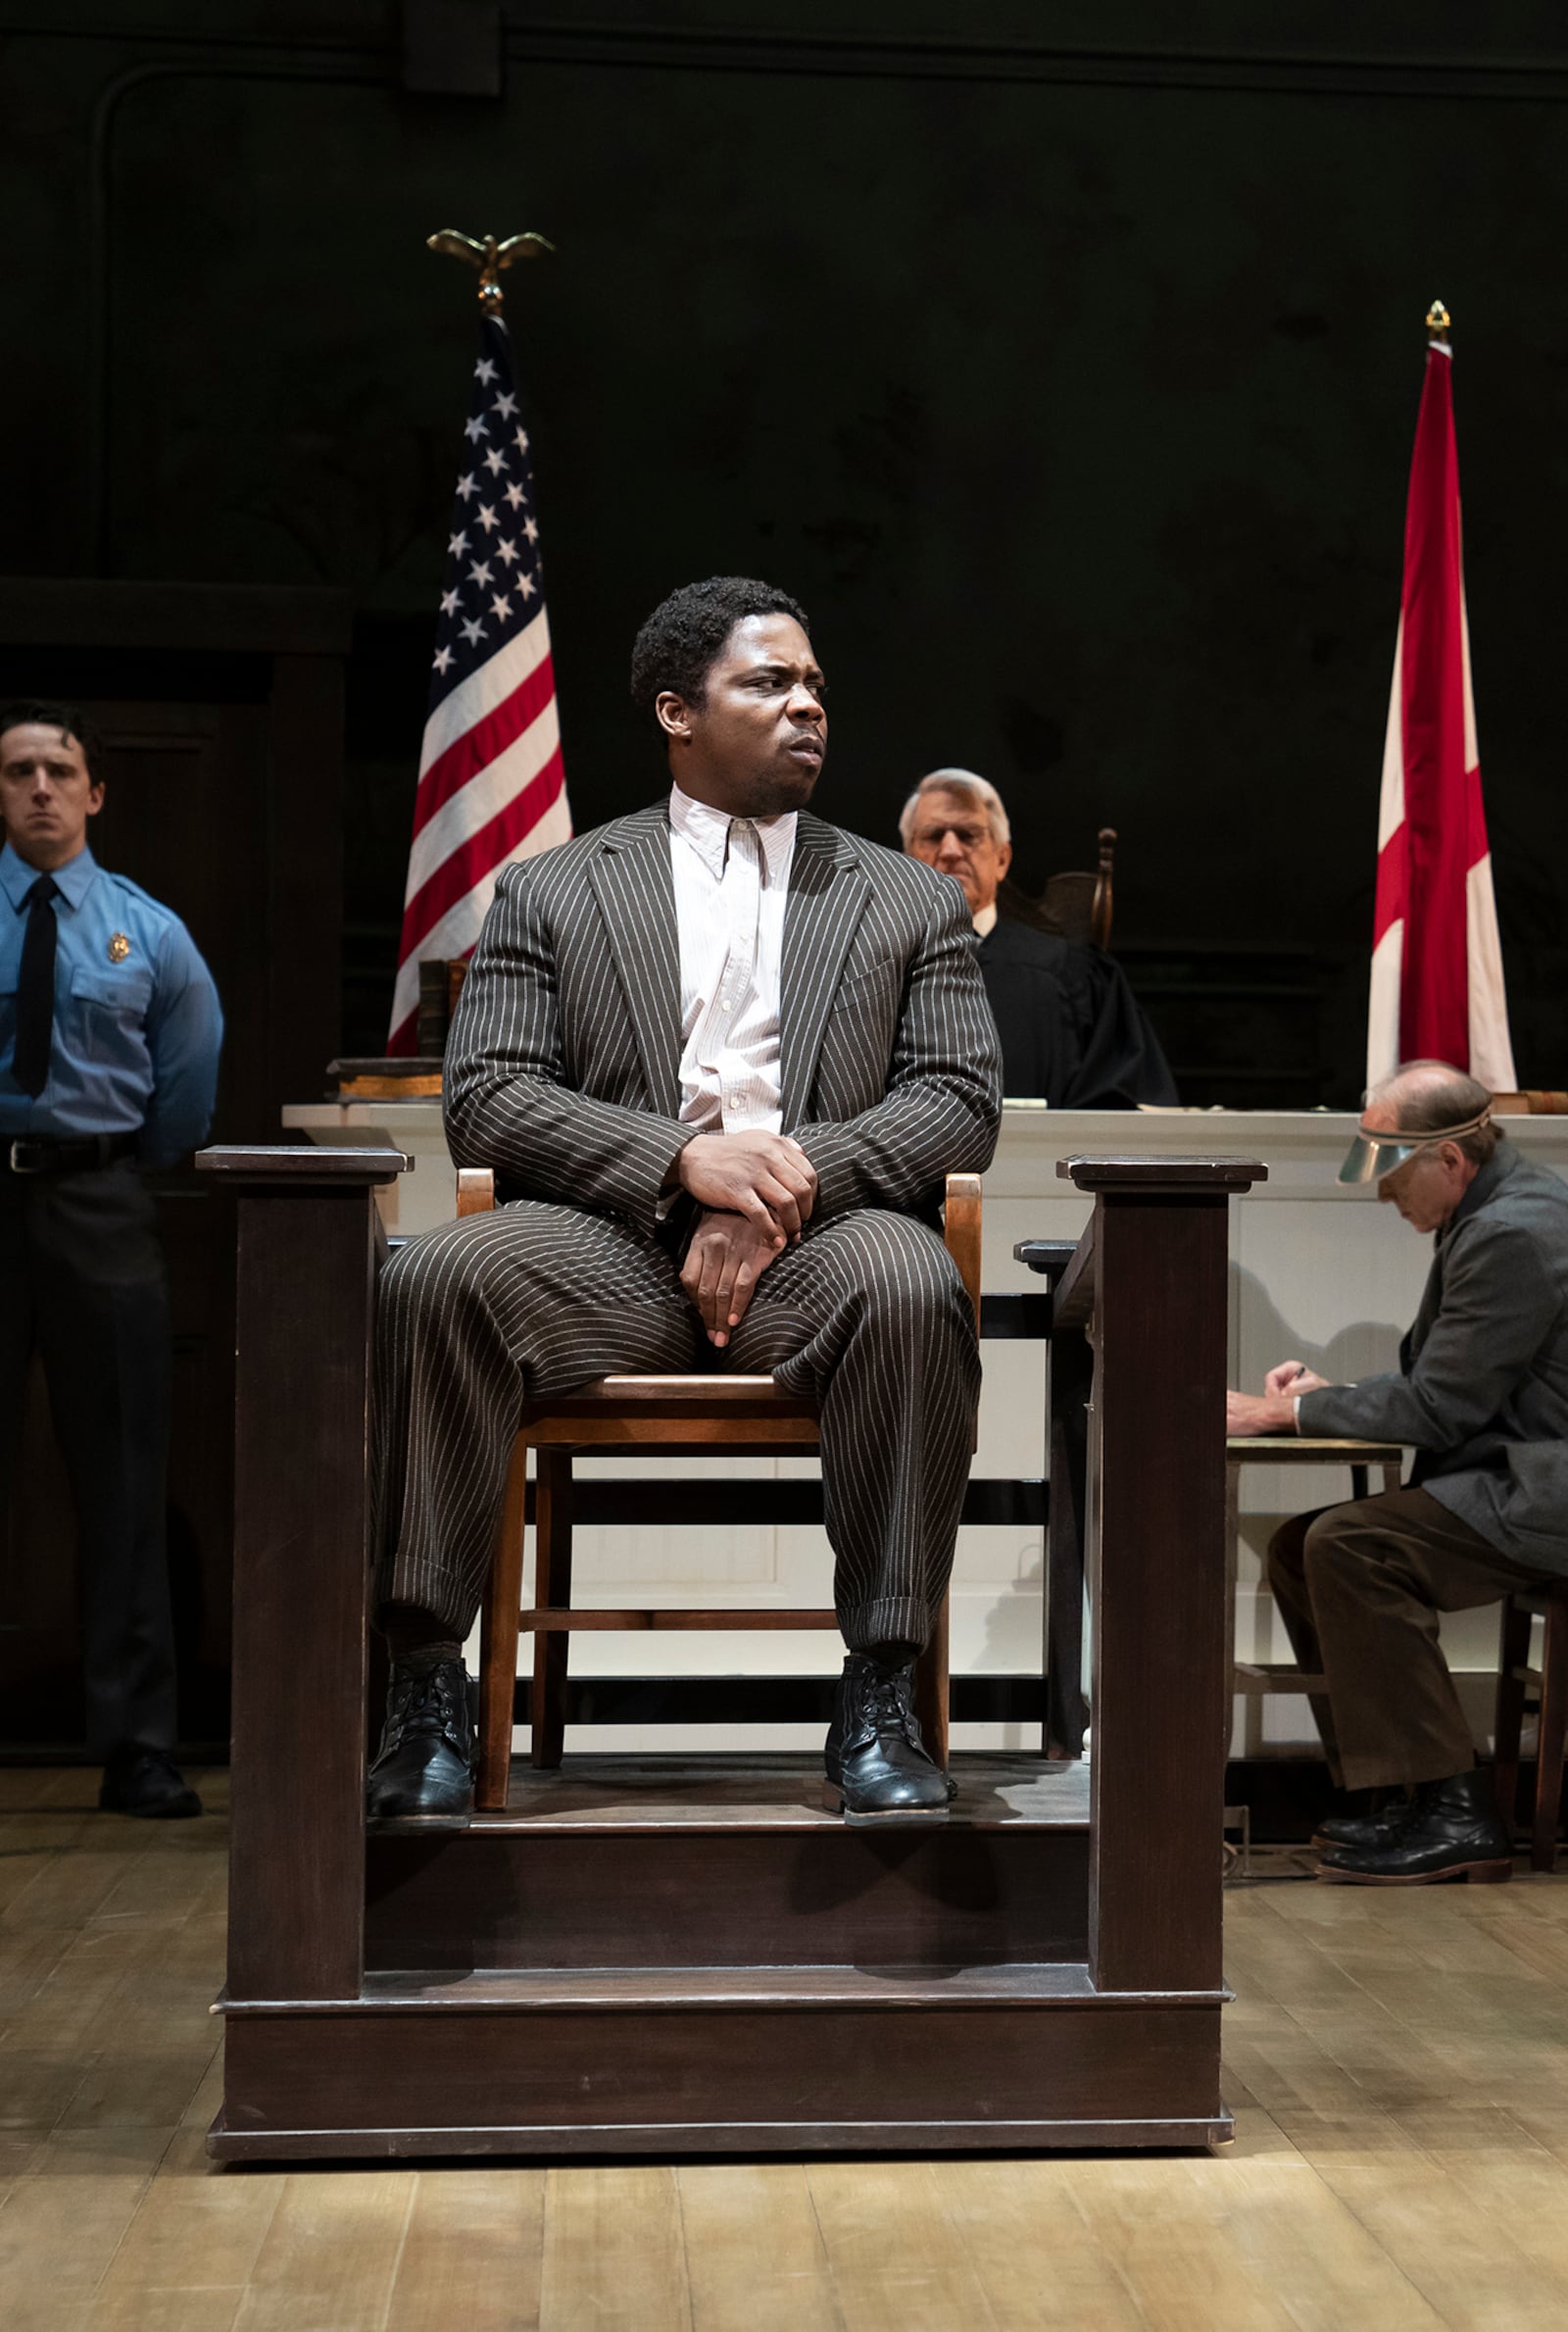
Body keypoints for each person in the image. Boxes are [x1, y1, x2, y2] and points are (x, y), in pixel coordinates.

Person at [368, 577, 1002, 1829]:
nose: (807, 705)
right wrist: (679, 1161)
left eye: (815, 684)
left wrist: (785, 1175)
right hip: (604, 1248)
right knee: (437, 1276)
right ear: (675, 711)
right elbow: (488, 1096)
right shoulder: (555, 889)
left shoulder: (904, 896)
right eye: (769, 684)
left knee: (913, 1281)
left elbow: (954, 1100)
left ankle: (881, 1683)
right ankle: (424, 1681)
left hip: (819, 1247)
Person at [1228, 1061, 1568, 1884]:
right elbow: (1451, 1385)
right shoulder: (1494, 1207)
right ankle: (1398, 1795)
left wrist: (1287, 1412)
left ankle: (1455, 1808)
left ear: (1450, 1160)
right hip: (1511, 1467)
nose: (1382, 1193)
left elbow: (1441, 1407)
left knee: (1350, 1545)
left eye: (1393, 1171)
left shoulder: (1514, 1231)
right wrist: (1331, 1397)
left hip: (1545, 1488)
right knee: (1300, 1547)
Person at [1, 700, 222, 1817]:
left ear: (95, 794)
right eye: (19, 772)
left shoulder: (151, 931)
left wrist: (117, 1165)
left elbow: (185, 1084)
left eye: (59, 770)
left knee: (125, 1481)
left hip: (98, 1198)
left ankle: (137, 1745)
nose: (39, 788)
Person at [899, 769, 1176, 1107]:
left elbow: (1114, 1109)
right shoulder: (873, 966)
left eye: (969, 834)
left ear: (1002, 859)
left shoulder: (1074, 973)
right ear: (906, 859)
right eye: (933, 835)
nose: (951, 850)